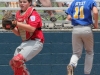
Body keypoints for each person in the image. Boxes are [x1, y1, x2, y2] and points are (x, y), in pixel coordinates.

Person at [9, 0, 44, 75]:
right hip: (25, 42)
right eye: (20, 2)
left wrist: (16, 23)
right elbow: (18, 33)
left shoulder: (33, 14)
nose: (22, 4)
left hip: (35, 41)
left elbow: (32, 28)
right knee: (13, 63)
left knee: (17, 60)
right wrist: (11, 27)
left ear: (30, 3)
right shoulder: (18, 14)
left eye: (24, 2)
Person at [65, 0, 98, 75]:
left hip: (76, 29)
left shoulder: (74, 2)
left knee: (76, 53)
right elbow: (95, 12)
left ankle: (72, 64)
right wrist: (96, 24)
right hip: (86, 28)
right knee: (89, 52)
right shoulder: (91, 1)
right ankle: (87, 73)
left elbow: (69, 17)